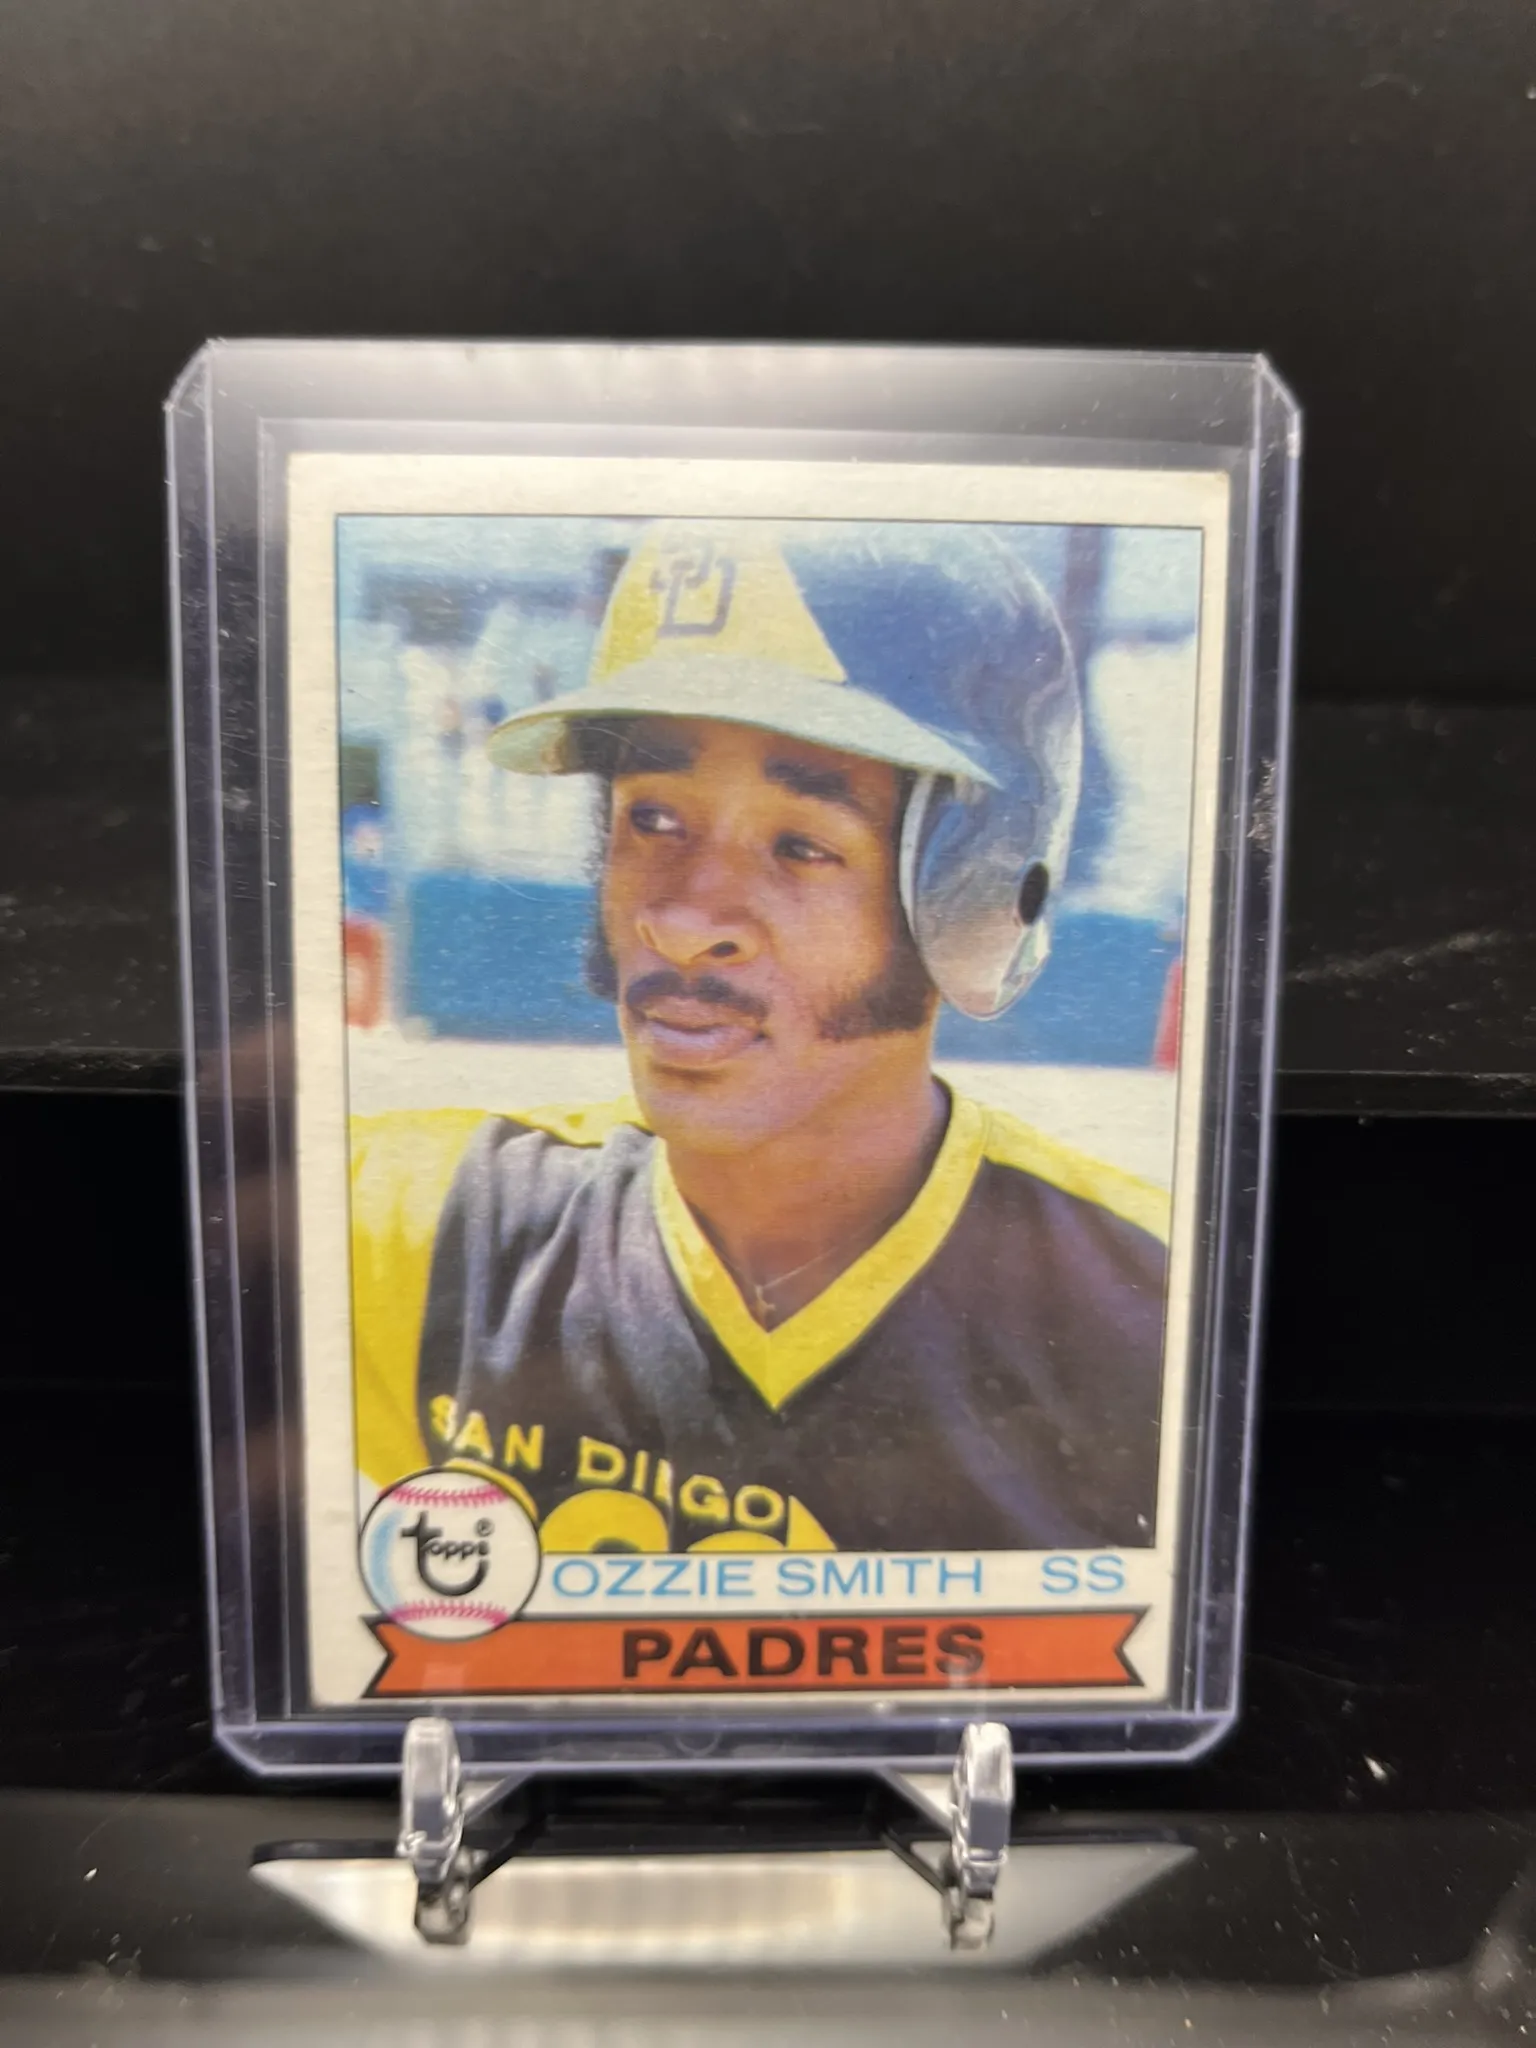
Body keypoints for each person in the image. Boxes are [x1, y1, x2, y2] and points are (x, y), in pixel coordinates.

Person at [351, 522, 1169, 1554]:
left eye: (801, 844)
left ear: (976, 894)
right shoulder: (427, 1227)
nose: (684, 919)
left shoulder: (1152, 1306)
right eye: (653, 819)